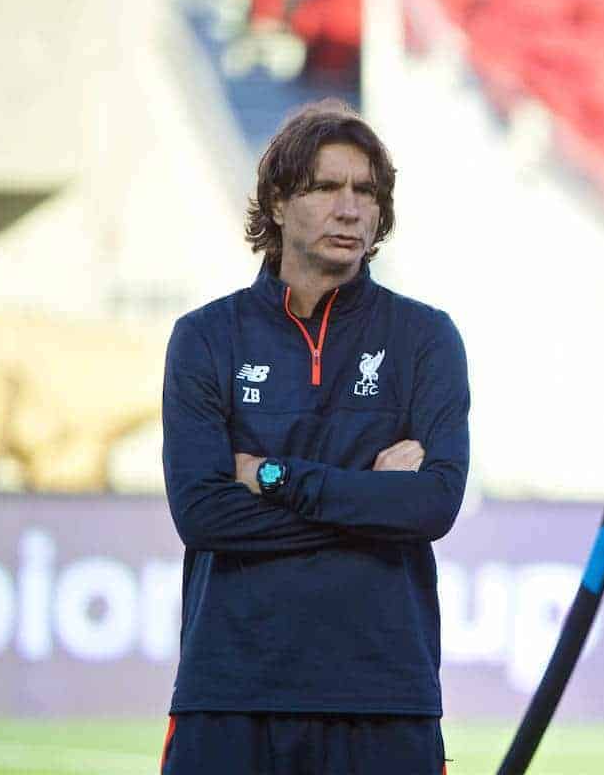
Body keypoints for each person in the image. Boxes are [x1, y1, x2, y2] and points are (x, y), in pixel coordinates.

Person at [159, 99, 469, 774]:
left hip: (384, 696)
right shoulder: (205, 338)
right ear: (276, 202)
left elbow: (432, 505)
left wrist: (275, 478)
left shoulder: (425, 338)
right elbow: (203, 514)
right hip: (233, 693)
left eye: (366, 192)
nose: (350, 208)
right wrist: (371, 501)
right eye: (326, 187)